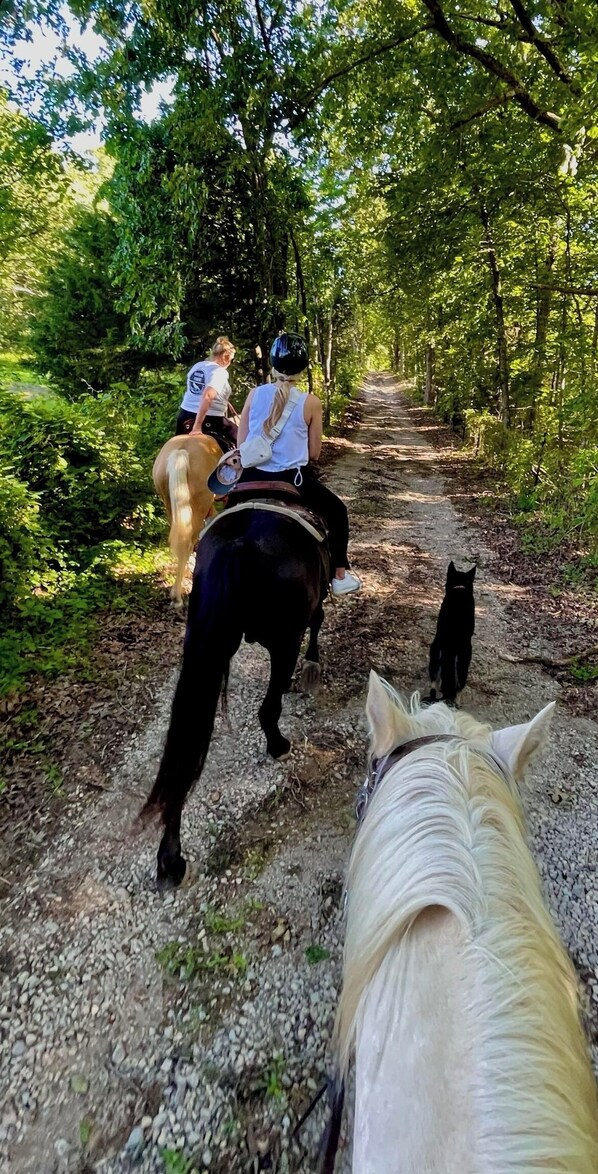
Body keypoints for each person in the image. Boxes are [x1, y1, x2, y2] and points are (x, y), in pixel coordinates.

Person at [236, 332, 361, 596]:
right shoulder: (311, 402)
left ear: (272, 363)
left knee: (221, 520)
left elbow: (241, 443)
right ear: (303, 368)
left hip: (250, 477)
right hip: (293, 480)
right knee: (338, 511)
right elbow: (314, 453)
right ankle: (339, 576)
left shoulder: (254, 395)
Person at [176, 336, 237, 449]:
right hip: (210, 418)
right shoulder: (219, 372)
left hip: (184, 415)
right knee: (242, 439)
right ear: (225, 357)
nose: (230, 362)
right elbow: (208, 396)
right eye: (231, 359)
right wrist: (197, 426)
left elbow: (195, 392)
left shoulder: (198, 366)